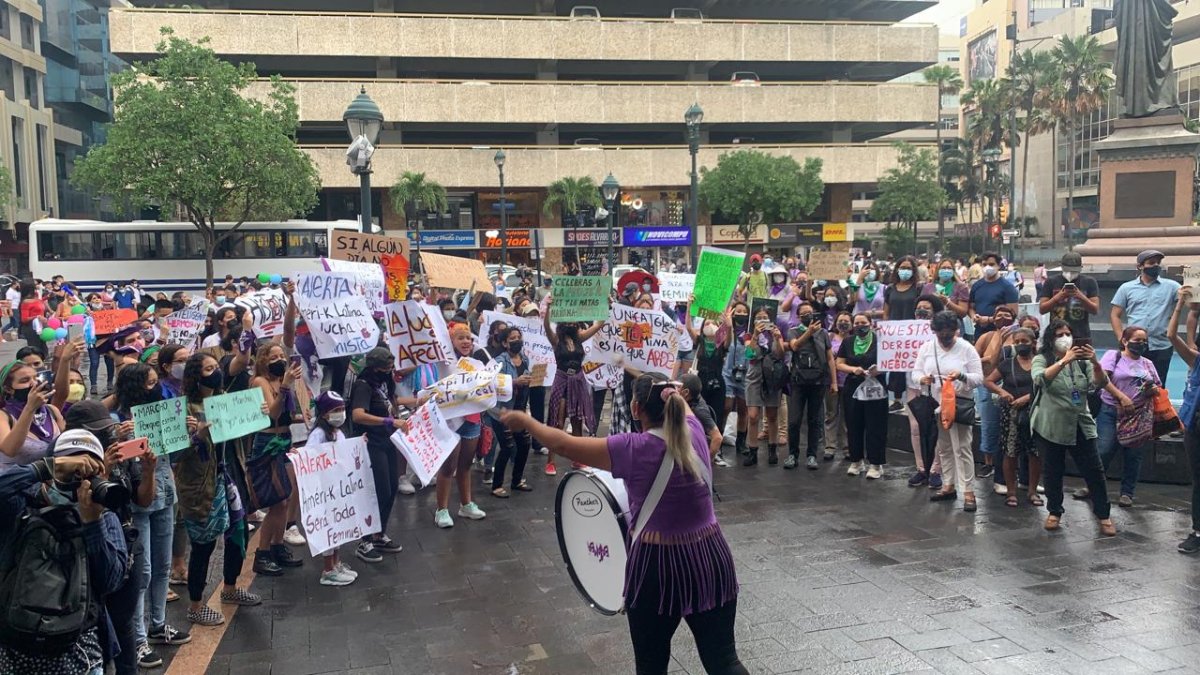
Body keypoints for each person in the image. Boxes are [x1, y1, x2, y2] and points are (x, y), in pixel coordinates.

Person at [500, 374, 748, 675]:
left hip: (658, 568)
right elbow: (681, 404)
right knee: (724, 661)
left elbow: (563, 444)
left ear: (635, 408)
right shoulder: (694, 431)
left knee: (651, 666)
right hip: (711, 557)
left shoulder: (633, 448)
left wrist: (526, 422)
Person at [0, 432, 129, 674]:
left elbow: (111, 581)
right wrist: (47, 467)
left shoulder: (105, 517)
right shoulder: (22, 505)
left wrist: (93, 524)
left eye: (89, 474)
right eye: (72, 471)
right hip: (16, 650)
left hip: (79, 652)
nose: (79, 481)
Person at [175, 353, 261, 626]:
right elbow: (175, 454)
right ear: (195, 375)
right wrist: (196, 437)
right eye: (208, 369)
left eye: (215, 367)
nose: (215, 372)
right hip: (200, 488)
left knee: (238, 534)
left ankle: (231, 588)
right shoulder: (184, 409)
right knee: (204, 545)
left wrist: (255, 415)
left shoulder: (223, 399)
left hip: (226, 479)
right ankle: (195, 606)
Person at [1029, 320, 1117, 536]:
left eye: (1068, 334)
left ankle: (1103, 515)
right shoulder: (1042, 358)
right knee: (1052, 470)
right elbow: (1039, 379)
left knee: (1094, 471)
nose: (1065, 338)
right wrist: (1064, 360)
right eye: (1060, 334)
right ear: (1051, 339)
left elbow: (1099, 382)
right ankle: (1054, 511)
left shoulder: (1082, 361)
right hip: (1051, 425)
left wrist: (1095, 362)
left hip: (1080, 423)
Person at [1076, 327, 1156, 508]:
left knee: (1133, 455)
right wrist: (1121, 397)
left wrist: (1151, 390)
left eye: (1144, 341)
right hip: (1111, 410)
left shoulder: (1147, 364)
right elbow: (1103, 380)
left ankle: (1127, 493)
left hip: (1137, 415)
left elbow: (1156, 386)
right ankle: (1091, 486)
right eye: (1137, 340)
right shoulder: (1113, 356)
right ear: (1125, 341)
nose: (1141, 344)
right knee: (1103, 450)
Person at [914, 311, 984, 511]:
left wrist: (961, 376)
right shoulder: (927, 348)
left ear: (956, 330)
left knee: (962, 448)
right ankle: (948, 485)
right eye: (940, 332)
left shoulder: (966, 348)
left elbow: (979, 378)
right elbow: (916, 372)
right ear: (934, 331)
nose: (945, 336)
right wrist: (922, 379)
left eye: (949, 332)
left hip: (958, 403)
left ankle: (968, 491)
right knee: (943, 447)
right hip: (937, 404)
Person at [247, 342, 305, 575]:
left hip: (285, 440)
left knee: (287, 498)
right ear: (263, 360)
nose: (279, 360)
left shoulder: (282, 381)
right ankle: (262, 553)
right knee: (277, 501)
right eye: (273, 357)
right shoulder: (260, 382)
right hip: (268, 443)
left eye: (282, 355)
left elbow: (288, 415)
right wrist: (286, 386)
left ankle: (278, 546)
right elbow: (273, 412)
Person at [349, 347, 407, 563]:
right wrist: (388, 421)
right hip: (371, 442)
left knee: (391, 487)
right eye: (386, 368)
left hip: (387, 440)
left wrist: (418, 401)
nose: (389, 371)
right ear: (375, 368)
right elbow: (358, 415)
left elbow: (392, 402)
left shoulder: (384, 383)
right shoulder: (363, 385)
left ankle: (379, 533)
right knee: (378, 490)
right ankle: (364, 540)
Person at [428, 326, 488, 528]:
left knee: (466, 465)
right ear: (451, 341)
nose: (466, 341)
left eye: (468, 338)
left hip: (471, 419)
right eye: (460, 338)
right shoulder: (444, 361)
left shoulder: (477, 363)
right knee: (448, 467)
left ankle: (466, 504)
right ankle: (442, 509)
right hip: (450, 420)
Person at [542, 300, 605, 476]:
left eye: (573, 319)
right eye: (567, 320)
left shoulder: (579, 337)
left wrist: (606, 305)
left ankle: (578, 460)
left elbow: (599, 324)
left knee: (577, 421)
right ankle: (550, 462)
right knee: (557, 422)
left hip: (577, 381)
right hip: (562, 381)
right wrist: (549, 308)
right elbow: (546, 326)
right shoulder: (556, 339)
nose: (570, 323)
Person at [303, 392, 358, 586]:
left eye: (342, 409)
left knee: (339, 526)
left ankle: (336, 563)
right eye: (336, 410)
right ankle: (328, 569)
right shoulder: (319, 434)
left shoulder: (338, 433)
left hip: (338, 489)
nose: (341, 413)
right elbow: (309, 456)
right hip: (325, 491)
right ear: (325, 413)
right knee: (330, 528)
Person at [984, 327, 1042, 508]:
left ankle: (1032, 491)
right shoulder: (1007, 364)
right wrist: (1002, 392)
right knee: (1010, 452)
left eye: (1024, 341)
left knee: (1035, 453)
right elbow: (988, 381)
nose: (1020, 345)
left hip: (1036, 412)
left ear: (1033, 343)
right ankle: (1011, 491)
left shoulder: (1041, 363)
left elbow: (1047, 385)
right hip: (1011, 413)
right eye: (1017, 342)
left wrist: (1028, 398)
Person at [1110, 249, 1181, 381]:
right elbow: (1115, 315)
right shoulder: (1126, 288)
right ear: (1140, 266)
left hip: (1161, 344)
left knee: (1159, 384)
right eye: (1151, 262)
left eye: (1158, 262)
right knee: (1132, 382)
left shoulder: (1173, 287)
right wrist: (1121, 338)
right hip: (1134, 344)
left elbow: (1190, 304)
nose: (1156, 265)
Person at [1167, 285, 1200, 554]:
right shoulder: (1196, 362)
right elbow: (1171, 335)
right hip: (1196, 426)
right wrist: (1180, 305)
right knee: (1198, 479)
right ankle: (1198, 531)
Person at [785, 301, 836, 470]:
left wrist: (834, 381)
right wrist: (809, 332)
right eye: (804, 314)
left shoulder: (823, 333)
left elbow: (830, 358)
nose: (808, 316)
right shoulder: (793, 331)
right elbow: (795, 346)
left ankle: (812, 455)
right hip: (798, 382)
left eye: (810, 313)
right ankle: (792, 454)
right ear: (798, 317)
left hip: (818, 381)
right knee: (794, 420)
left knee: (815, 420)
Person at [836, 313, 887, 478]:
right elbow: (839, 363)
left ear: (870, 324)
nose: (860, 326)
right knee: (853, 425)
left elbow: (890, 361)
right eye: (856, 323)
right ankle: (856, 461)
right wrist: (853, 369)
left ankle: (876, 464)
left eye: (863, 322)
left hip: (876, 386)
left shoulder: (880, 340)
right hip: (853, 386)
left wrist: (879, 369)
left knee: (875, 425)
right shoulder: (848, 341)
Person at [902, 296, 945, 488]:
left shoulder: (943, 332)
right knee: (915, 428)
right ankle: (921, 469)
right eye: (918, 307)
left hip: (936, 387)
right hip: (913, 384)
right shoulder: (905, 331)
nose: (921, 310)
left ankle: (935, 470)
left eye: (926, 308)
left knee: (937, 429)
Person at [488, 327, 534, 498]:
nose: (517, 340)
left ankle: (517, 480)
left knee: (524, 444)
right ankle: (497, 485)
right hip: (502, 411)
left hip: (520, 409)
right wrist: (515, 382)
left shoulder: (525, 359)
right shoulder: (499, 361)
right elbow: (495, 384)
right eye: (512, 338)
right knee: (507, 447)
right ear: (505, 343)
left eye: (518, 337)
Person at [686, 302, 731, 467]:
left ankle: (716, 450)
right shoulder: (700, 341)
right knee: (698, 415)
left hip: (717, 384)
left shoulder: (721, 344)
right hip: (700, 384)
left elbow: (729, 338)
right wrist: (689, 307)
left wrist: (729, 325)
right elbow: (688, 327)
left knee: (717, 415)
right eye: (707, 322)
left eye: (713, 323)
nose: (709, 325)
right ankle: (698, 447)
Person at [740, 304, 785, 466]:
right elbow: (749, 354)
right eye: (758, 318)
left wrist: (778, 339)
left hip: (772, 378)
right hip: (754, 377)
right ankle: (752, 451)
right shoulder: (747, 335)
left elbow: (780, 354)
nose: (762, 320)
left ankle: (773, 449)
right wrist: (755, 336)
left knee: (772, 415)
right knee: (753, 416)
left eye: (765, 318)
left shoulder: (775, 333)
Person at [0, 361, 63, 472]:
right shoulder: (4, 416)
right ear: (8, 389)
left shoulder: (52, 411)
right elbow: (10, 450)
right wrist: (30, 408)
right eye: (25, 380)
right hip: (17, 481)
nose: (34, 384)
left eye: (35, 378)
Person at [1038, 251, 1100, 340]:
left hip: (1081, 334)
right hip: (1057, 333)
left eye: (1074, 271)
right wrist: (1058, 297)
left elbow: (1095, 310)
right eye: (1067, 270)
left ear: (1080, 268)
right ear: (1062, 267)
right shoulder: (1051, 282)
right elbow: (1042, 309)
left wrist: (1081, 297)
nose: (1070, 273)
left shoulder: (1089, 282)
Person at [968, 251, 1018, 340]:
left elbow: (1013, 313)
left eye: (991, 264)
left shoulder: (1007, 287)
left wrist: (989, 319)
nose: (987, 267)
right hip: (979, 332)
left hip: (1000, 333)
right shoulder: (976, 286)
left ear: (998, 266)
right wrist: (974, 317)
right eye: (984, 264)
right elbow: (971, 307)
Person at [824, 311, 852, 462]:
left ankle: (847, 447)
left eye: (847, 321)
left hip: (849, 382)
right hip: (831, 382)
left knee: (847, 416)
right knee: (831, 414)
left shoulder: (855, 340)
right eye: (841, 321)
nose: (843, 324)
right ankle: (830, 447)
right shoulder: (829, 337)